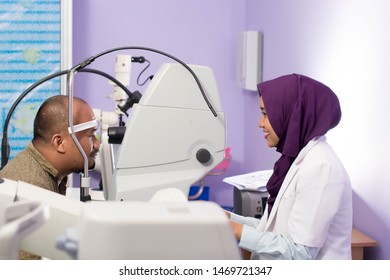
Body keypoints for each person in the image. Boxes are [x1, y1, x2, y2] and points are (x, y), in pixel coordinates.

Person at [227, 74, 352, 260]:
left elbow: (300, 253)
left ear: (292, 113)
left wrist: (235, 229)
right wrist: (225, 219)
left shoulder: (321, 168)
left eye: (265, 114)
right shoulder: (298, 159)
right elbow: (273, 227)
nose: (260, 123)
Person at [0, 95, 100, 260]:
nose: (97, 144)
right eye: (90, 135)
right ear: (59, 142)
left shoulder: (48, 173)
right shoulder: (31, 189)